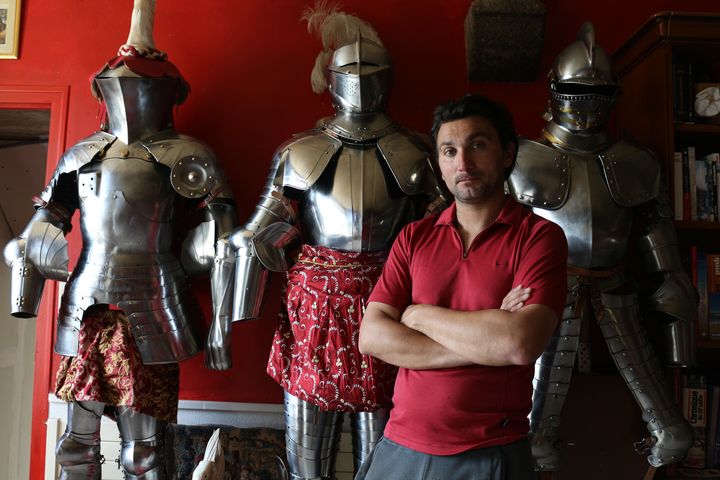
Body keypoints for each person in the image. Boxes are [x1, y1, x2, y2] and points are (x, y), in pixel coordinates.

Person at [204, 4, 447, 480]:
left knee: (384, 468)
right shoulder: (300, 152)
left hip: (393, 304)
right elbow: (257, 236)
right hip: (314, 313)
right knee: (306, 470)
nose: (360, 81)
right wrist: (224, 321)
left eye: (370, 71)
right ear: (331, 79)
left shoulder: (419, 151)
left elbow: (442, 236)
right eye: (351, 71)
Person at [3, 1, 236, 478]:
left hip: (157, 302)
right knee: (74, 445)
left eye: (142, 84)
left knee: (142, 450)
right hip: (87, 309)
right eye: (121, 84)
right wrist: (27, 254)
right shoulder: (81, 155)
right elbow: (44, 222)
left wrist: (220, 328)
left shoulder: (191, 155)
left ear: (167, 90)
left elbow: (228, 245)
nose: (129, 93)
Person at [507, 22, 695, 470]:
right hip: (542, 294)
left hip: (616, 289)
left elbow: (666, 264)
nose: (587, 103)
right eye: (576, 90)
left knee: (671, 435)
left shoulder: (635, 162)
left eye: (599, 91)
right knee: (531, 434)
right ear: (555, 90)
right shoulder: (521, 159)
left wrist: (680, 346)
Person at [356, 93, 568, 480]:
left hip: (487, 454)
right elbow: (371, 337)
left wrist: (417, 314)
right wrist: (485, 340)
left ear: (507, 154)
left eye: (478, 145)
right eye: (449, 151)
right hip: (398, 447)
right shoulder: (414, 237)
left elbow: (517, 344)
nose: (463, 163)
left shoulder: (540, 238)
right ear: (439, 163)